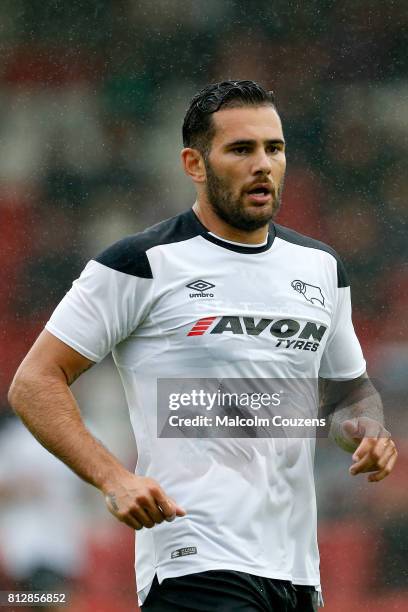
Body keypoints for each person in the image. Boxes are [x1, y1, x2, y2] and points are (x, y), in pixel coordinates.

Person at [9, 80, 398, 612]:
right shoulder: (140, 262)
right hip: (194, 560)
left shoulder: (322, 268)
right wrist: (113, 477)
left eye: (274, 148)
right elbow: (34, 382)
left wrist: (365, 427)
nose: (263, 163)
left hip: (296, 570)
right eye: (241, 149)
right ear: (195, 164)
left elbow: (350, 389)